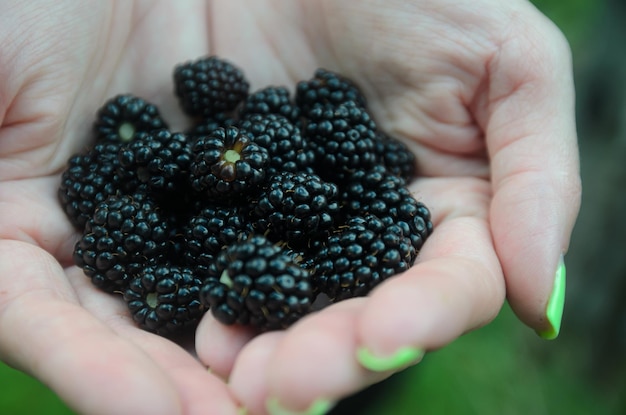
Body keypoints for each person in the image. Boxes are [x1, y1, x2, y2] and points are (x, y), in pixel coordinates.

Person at [0, 1, 581, 414]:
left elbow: (320, 210)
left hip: (320, 269)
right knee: (331, 364)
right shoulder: (188, 186)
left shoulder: (321, 182)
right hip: (247, 238)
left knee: (351, 364)